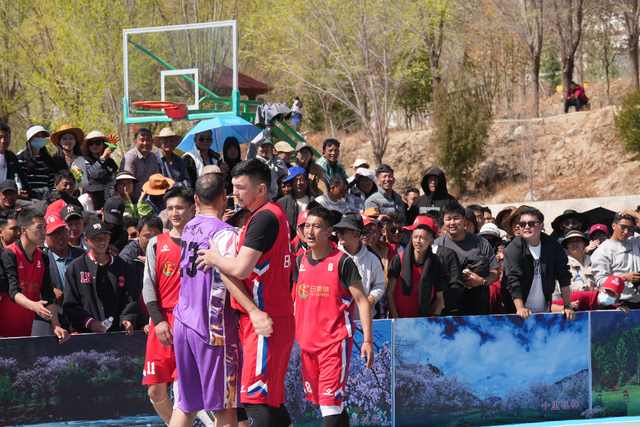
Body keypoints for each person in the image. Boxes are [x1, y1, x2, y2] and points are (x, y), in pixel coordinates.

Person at [194, 159, 294, 427]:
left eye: (240, 187)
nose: (233, 193)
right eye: (233, 186)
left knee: (256, 399)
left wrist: (215, 257)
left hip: (263, 316)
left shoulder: (263, 217)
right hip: (272, 314)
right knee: (271, 401)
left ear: (260, 189)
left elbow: (240, 268)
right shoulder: (274, 213)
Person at [167, 175, 242, 427]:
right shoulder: (225, 233)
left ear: (196, 200)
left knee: (186, 404)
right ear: (225, 197)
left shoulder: (189, 227)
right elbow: (231, 276)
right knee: (225, 407)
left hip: (183, 320)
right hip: (212, 326)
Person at [292, 206, 374, 426]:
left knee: (329, 404)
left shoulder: (343, 262)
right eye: (307, 226)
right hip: (307, 346)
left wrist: (367, 340)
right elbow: (296, 302)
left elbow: (362, 301)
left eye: (316, 226)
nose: (310, 231)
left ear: (329, 232)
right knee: (329, 403)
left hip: (335, 344)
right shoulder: (300, 262)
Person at [141, 187, 196, 425]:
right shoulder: (156, 243)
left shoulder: (202, 242)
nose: (174, 213)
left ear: (193, 209)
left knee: (184, 390)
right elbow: (148, 287)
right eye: (170, 208)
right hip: (162, 321)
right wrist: (158, 321)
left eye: (180, 207)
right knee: (155, 392)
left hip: (190, 322)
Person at [0, 209, 69, 341]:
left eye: (45, 227)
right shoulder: (8, 254)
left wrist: (56, 325)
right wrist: (34, 305)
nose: (44, 232)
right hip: (3, 332)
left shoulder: (43, 256)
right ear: (24, 230)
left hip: (26, 331)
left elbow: (49, 295)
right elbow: (13, 291)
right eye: (39, 227)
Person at [63, 220, 139, 333]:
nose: (101, 242)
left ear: (109, 238)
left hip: (116, 333)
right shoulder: (77, 266)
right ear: (87, 240)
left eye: (105, 237)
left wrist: (127, 318)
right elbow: (70, 304)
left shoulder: (121, 265)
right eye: (96, 238)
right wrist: (90, 322)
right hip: (86, 334)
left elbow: (130, 297)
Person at [502, 207, 575, 320]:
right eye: (522, 224)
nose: (526, 227)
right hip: (516, 312)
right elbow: (513, 279)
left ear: (541, 226)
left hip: (543, 311)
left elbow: (563, 276)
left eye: (531, 223)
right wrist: (520, 308)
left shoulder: (553, 246)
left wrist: (567, 306)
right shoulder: (513, 249)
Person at [434, 202, 500, 315]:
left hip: (477, 305)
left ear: (464, 219)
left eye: (456, 218)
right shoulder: (437, 245)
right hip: (448, 306)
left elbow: (495, 273)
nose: (452, 222)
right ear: (443, 222)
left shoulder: (481, 242)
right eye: (448, 219)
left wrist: (481, 281)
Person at [32, 211, 85, 336]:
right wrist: (49, 292)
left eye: (62, 231)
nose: (60, 236)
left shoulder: (83, 256)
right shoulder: (39, 259)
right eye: (53, 233)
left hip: (81, 316)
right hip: (51, 318)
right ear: (45, 236)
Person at [386, 215, 448, 318]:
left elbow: (440, 298)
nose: (418, 241)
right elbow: (389, 292)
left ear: (431, 241)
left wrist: (435, 316)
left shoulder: (435, 264)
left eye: (422, 238)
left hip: (422, 320)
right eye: (415, 237)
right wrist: (396, 318)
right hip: (398, 319)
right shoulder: (398, 259)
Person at [335, 213, 386, 320]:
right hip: (339, 320)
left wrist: (372, 297)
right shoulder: (333, 257)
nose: (339, 234)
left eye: (343, 231)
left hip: (365, 319)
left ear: (356, 234)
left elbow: (380, 284)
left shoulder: (372, 259)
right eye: (337, 230)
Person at [591, 210, 640, 309]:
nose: (626, 232)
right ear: (613, 226)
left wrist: (636, 215)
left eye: (630, 228)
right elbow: (601, 281)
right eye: (623, 227)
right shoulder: (602, 251)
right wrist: (624, 278)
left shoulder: (634, 242)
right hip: (619, 303)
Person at [19, 125, 68, 200]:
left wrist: (53, 195)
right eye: (37, 136)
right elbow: (23, 183)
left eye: (42, 136)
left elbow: (52, 181)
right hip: (30, 198)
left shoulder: (48, 159)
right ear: (30, 139)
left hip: (47, 196)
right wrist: (38, 197)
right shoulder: (21, 159)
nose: (40, 138)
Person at [120, 215, 164, 300]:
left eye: (155, 236)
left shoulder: (166, 251)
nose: (151, 240)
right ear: (138, 235)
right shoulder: (128, 257)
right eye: (147, 236)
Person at [551, 229, 596, 301]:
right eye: (570, 241)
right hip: (575, 303)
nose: (574, 243)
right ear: (566, 247)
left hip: (596, 302)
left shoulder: (594, 261)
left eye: (578, 240)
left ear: (584, 244)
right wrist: (586, 288)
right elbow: (562, 286)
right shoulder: (562, 264)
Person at [245, 125, 288, 199]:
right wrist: (268, 129)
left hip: (274, 198)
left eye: (268, 146)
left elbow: (284, 173)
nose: (265, 149)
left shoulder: (273, 161)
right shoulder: (252, 161)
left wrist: (276, 157)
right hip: (259, 198)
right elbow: (253, 145)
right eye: (262, 146)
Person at [277, 166, 319, 238]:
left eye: (301, 180)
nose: (299, 183)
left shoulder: (315, 205)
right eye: (295, 180)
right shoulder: (282, 203)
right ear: (291, 183)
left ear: (306, 181)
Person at [550, 275, 629, 313]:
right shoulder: (579, 297)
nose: (608, 294)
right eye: (606, 291)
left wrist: (621, 312)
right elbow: (550, 307)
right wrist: (568, 307)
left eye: (613, 293)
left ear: (618, 298)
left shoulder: (613, 309)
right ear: (600, 288)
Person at [119, 128, 160, 199]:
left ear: (152, 142)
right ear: (135, 142)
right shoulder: (130, 157)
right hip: (132, 198)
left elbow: (156, 178)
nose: (145, 143)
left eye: (148, 140)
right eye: (142, 140)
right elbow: (128, 182)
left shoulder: (153, 157)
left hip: (150, 197)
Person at [50, 124, 88, 191]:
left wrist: (79, 179)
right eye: (64, 139)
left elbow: (85, 184)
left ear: (75, 141)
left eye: (71, 138)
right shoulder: (54, 159)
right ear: (59, 142)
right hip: (59, 193)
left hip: (75, 193)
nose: (68, 141)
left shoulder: (80, 159)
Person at [82, 131, 118, 197]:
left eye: (98, 142)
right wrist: (102, 158)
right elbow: (88, 173)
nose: (94, 146)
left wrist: (108, 196)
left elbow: (112, 180)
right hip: (89, 195)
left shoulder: (110, 162)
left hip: (106, 195)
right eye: (91, 143)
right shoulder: (85, 159)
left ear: (103, 144)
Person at [0, 122, 30, 199]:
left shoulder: (11, 156)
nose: (3, 141)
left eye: (6, 137)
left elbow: (21, 178)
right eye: (0, 137)